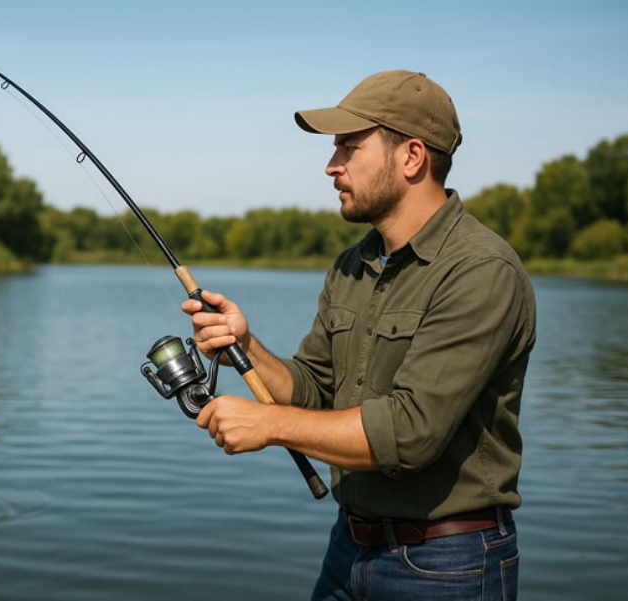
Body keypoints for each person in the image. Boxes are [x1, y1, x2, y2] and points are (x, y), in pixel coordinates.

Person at [182, 70, 537, 600]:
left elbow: (410, 432)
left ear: (412, 157)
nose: (331, 166)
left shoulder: (481, 271)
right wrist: (245, 347)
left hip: (448, 564)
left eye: (349, 146)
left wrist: (268, 424)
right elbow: (312, 389)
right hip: (347, 548)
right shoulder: (352, 264)